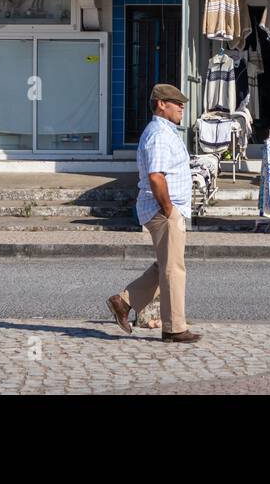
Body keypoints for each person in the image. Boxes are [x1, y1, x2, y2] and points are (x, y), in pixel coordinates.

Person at [106, 83, 200, 344]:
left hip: (165, 208)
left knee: (164, 266)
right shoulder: (159, 134)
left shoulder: (165, 132)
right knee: (173, 269)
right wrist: (169, 209)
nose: (182, 107)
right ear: (161, 104)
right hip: (163, 209)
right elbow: (156, 176)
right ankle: (174, 328)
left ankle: (123, 302)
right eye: (176, 102)